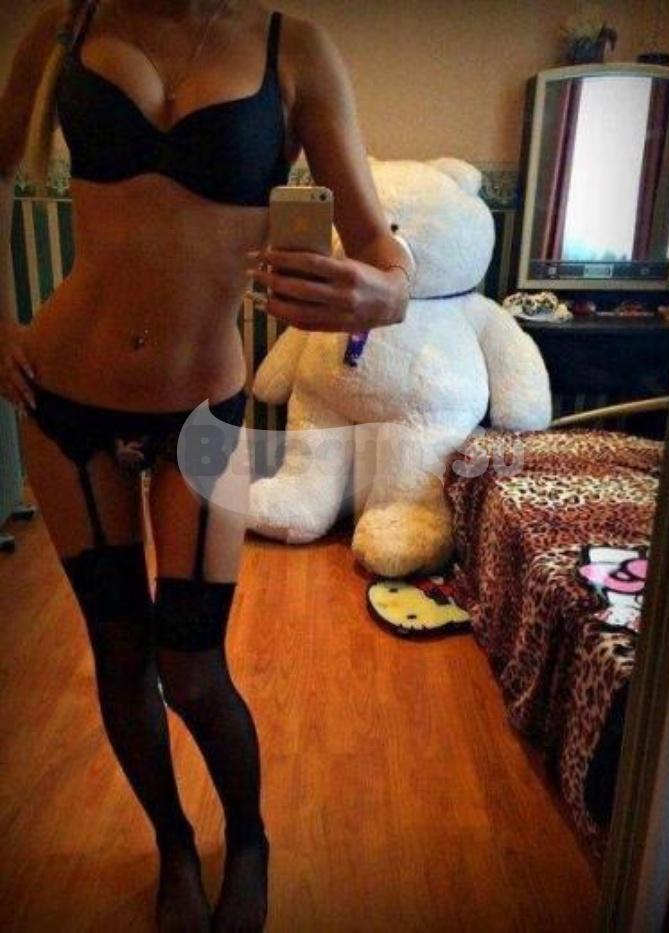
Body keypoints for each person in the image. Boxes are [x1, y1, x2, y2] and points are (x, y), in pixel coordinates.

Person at [0, 0, 413, 929]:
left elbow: (380, 245)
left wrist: (388, 291)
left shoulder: (291, 48)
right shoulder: (65, 26)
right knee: (119, 655)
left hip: (202, 414)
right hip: (62, 400)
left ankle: (249, 838)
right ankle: (174, 845)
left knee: (192, 668)